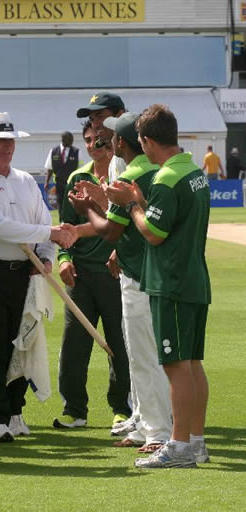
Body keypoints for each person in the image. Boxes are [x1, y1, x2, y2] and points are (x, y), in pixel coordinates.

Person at [105, 104, 211, 469]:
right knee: (193, 364)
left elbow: (152, 232)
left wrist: (134, 204)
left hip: (171, 283)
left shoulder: (166, 178)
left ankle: (180, 445)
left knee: (176, 366)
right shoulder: (195, 170)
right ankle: (195, 442)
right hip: (194, 277)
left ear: (147, 141)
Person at [0, 112, 74, 443]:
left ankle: (15, 411)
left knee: (22, 343)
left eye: (10, 142)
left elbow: (44, 220)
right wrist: (49, 233)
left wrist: (46, 255)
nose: (6, 148)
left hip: (25, 273)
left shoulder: (26, 180)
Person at [68, 113, 172, 454]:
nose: (103, 142)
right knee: (145, 354)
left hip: (139, 276)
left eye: (110, 138)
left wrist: (86, 209)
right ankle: (147, 423)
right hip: (149, 272)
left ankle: (157, 431)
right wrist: (100, 199)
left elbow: (110, 230)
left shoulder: (133, 173)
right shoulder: (151, 170)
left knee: (143, 356)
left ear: (121, 143)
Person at [52, 120, 131, 431]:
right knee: (74, 344)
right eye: (88, 140)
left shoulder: (124, 177)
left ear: (113, 142)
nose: (93, 146)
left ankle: (122, 409)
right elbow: (66, 230)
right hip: (81, 277)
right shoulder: (77, 177)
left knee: (120, 345)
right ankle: (74, 409)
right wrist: (64, 259)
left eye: (100, 140)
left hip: (116, 274)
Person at [76, 91, 126, 184]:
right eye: (91, 119)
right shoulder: (115, 158)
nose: (94, 125)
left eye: (100, 116)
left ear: (119, 115)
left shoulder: (132, 153)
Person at [44, 131, 79, 218]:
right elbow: (50, 168)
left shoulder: (77, 152)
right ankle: (62, 221)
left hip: (72, 183)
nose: (72, 142)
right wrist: (46, 182)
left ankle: (71, 222)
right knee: (60, 202)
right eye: (70, 140)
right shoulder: (53, 151)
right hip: (59, 183)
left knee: (71, 203)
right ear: (63, 140)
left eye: (72, 140)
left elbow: (80, 169)